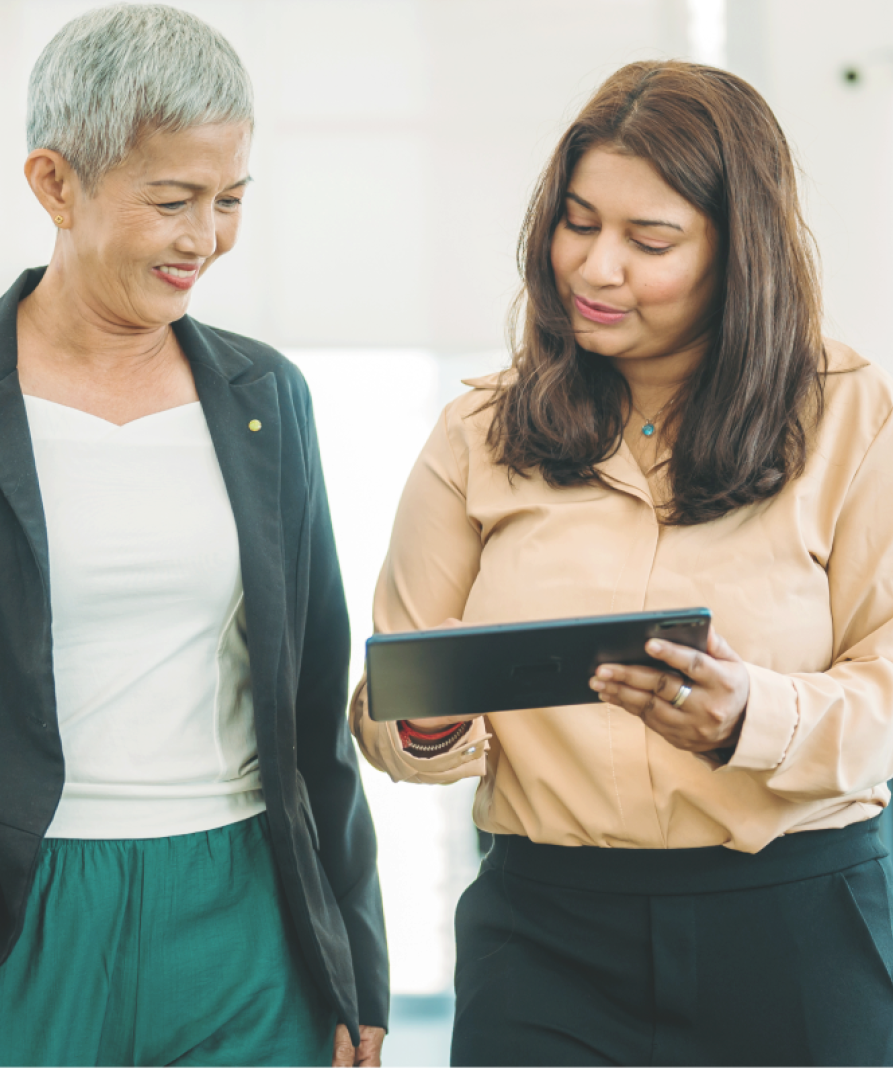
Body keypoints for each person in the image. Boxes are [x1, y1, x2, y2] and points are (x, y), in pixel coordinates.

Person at [0, 3, 387, 1067]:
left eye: (230, 201)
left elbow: (313, 704)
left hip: (241, 911)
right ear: (56, 183)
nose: (206, 238)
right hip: (7, 907)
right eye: (173, 199)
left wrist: (353, 958)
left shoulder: (269, 396)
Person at [350, 59, 893, 1067]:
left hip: (795, 923)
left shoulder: (855, 417)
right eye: (578, 222)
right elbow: (388, 716)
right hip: (546, 937)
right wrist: (430, 715)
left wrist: (750, 718)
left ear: (742, 254)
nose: (595, 269)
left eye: (649, 242)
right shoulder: (477, 432)